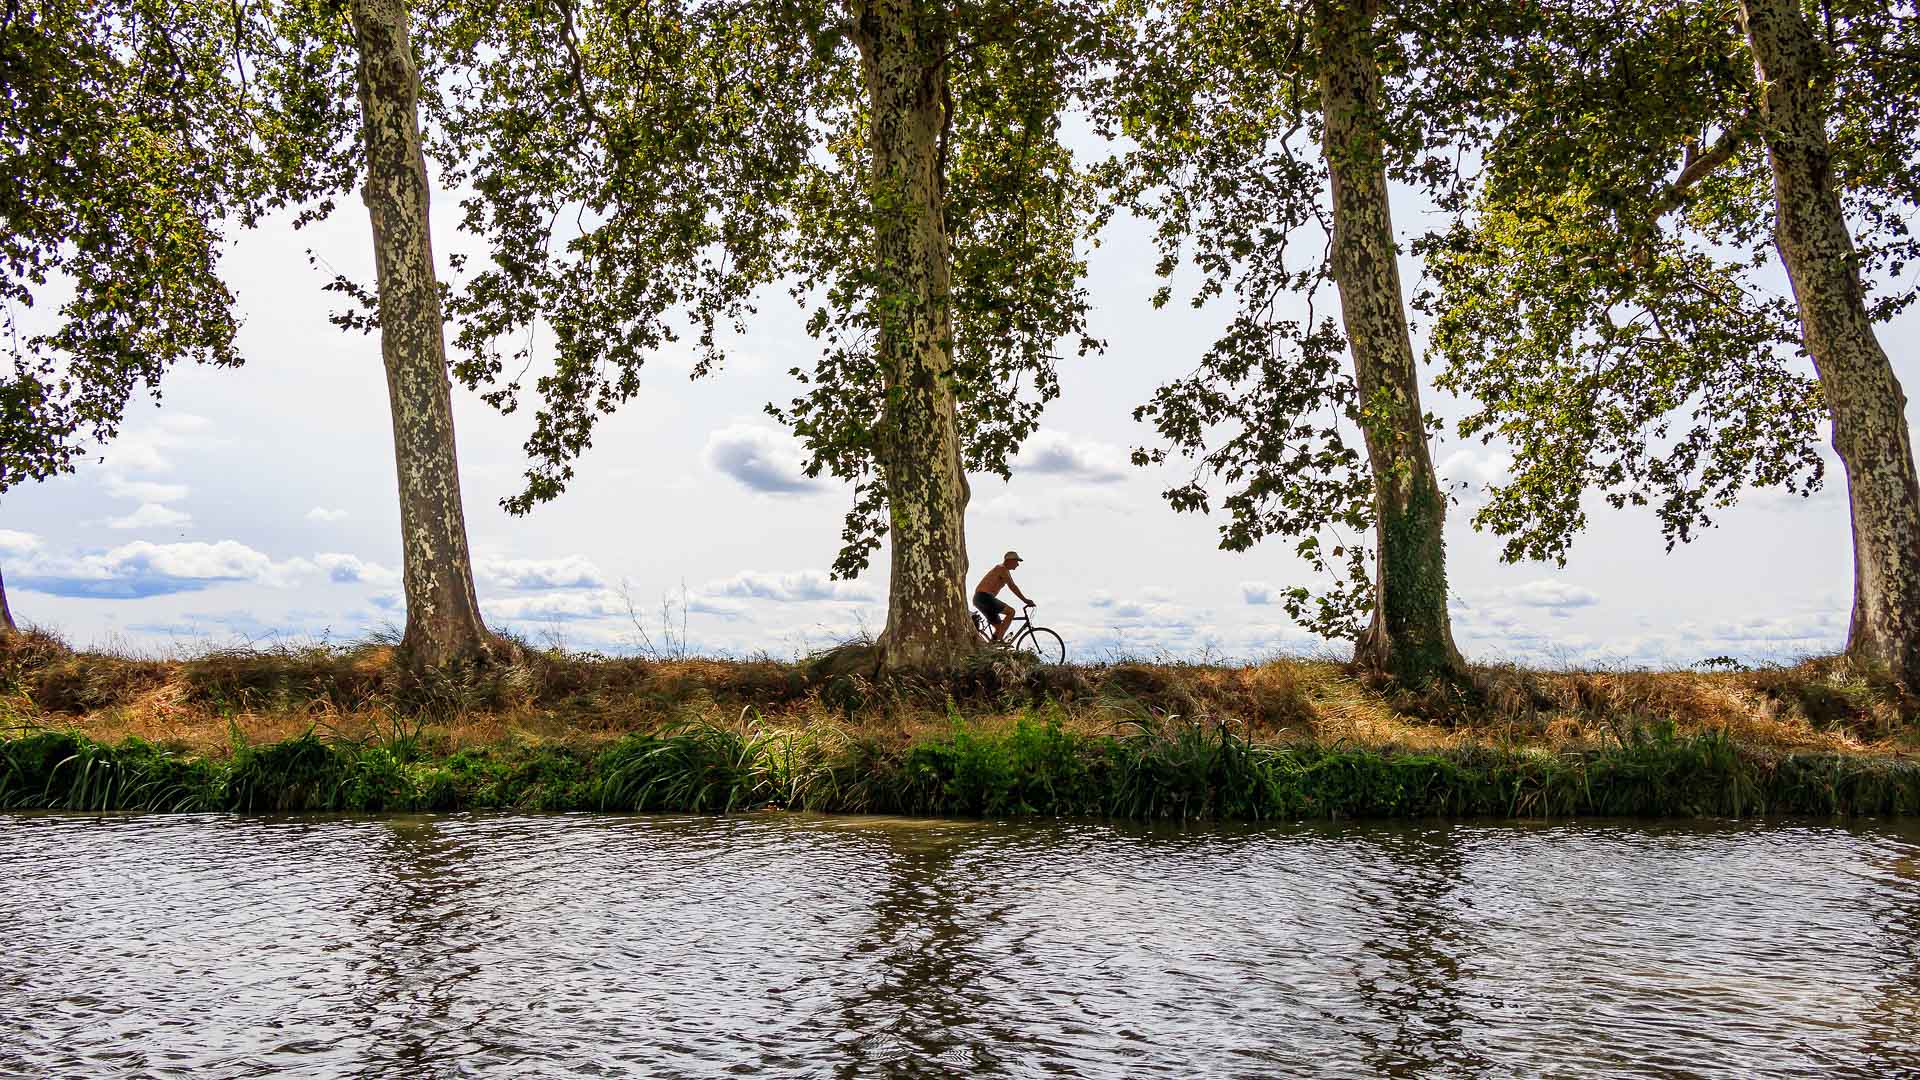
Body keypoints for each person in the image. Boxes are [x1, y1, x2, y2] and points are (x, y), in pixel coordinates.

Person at [973, 551, 1034, 643]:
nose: (1017, 565)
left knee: (999, 627)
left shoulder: (1004, 571)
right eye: (1016, 561)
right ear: (1010, 560)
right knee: (1011, 612)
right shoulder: (1001, 568)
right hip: (984, 597)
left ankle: (992, 646)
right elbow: (1012, 586)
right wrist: (1025, 600)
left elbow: (1012, 584)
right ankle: (999, 641)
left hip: (980, 599)